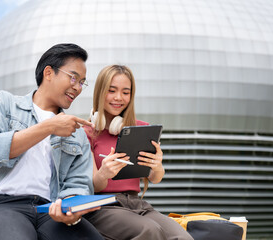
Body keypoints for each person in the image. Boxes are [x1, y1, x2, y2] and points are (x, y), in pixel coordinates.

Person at [0, 43, 104, 240]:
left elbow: (78, 183)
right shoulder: (4, 104)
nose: (77, 88)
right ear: (49, 73)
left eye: (82, 82)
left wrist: (70, 210)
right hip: (2, 205)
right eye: (74, 78)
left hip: (50, 210)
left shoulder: (76, 134)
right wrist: (49, 127)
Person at [83, 65, 193, 240]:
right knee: (149, 230)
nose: (119, 98)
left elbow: (155, 178)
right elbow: (92, 186)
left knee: (183, 237)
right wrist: (104, 174)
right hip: (102, 205)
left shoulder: (141, 129)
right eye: (112, 91)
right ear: (100, 92)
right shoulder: (86, 133)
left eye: (126, 92)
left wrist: (157, 166)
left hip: (136, 204)